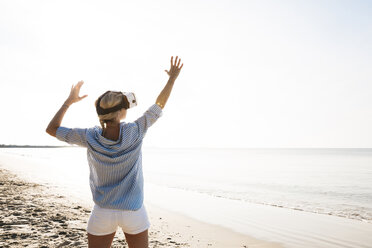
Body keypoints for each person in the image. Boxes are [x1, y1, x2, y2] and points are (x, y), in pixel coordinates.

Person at [46, 56, 183, 248]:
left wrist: (69, 102)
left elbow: (52, 129)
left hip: (103, 211)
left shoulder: (89, 136)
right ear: (120, 113)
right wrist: (171, 80)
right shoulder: (135, 131)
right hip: (133, 211)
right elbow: (158, 106)